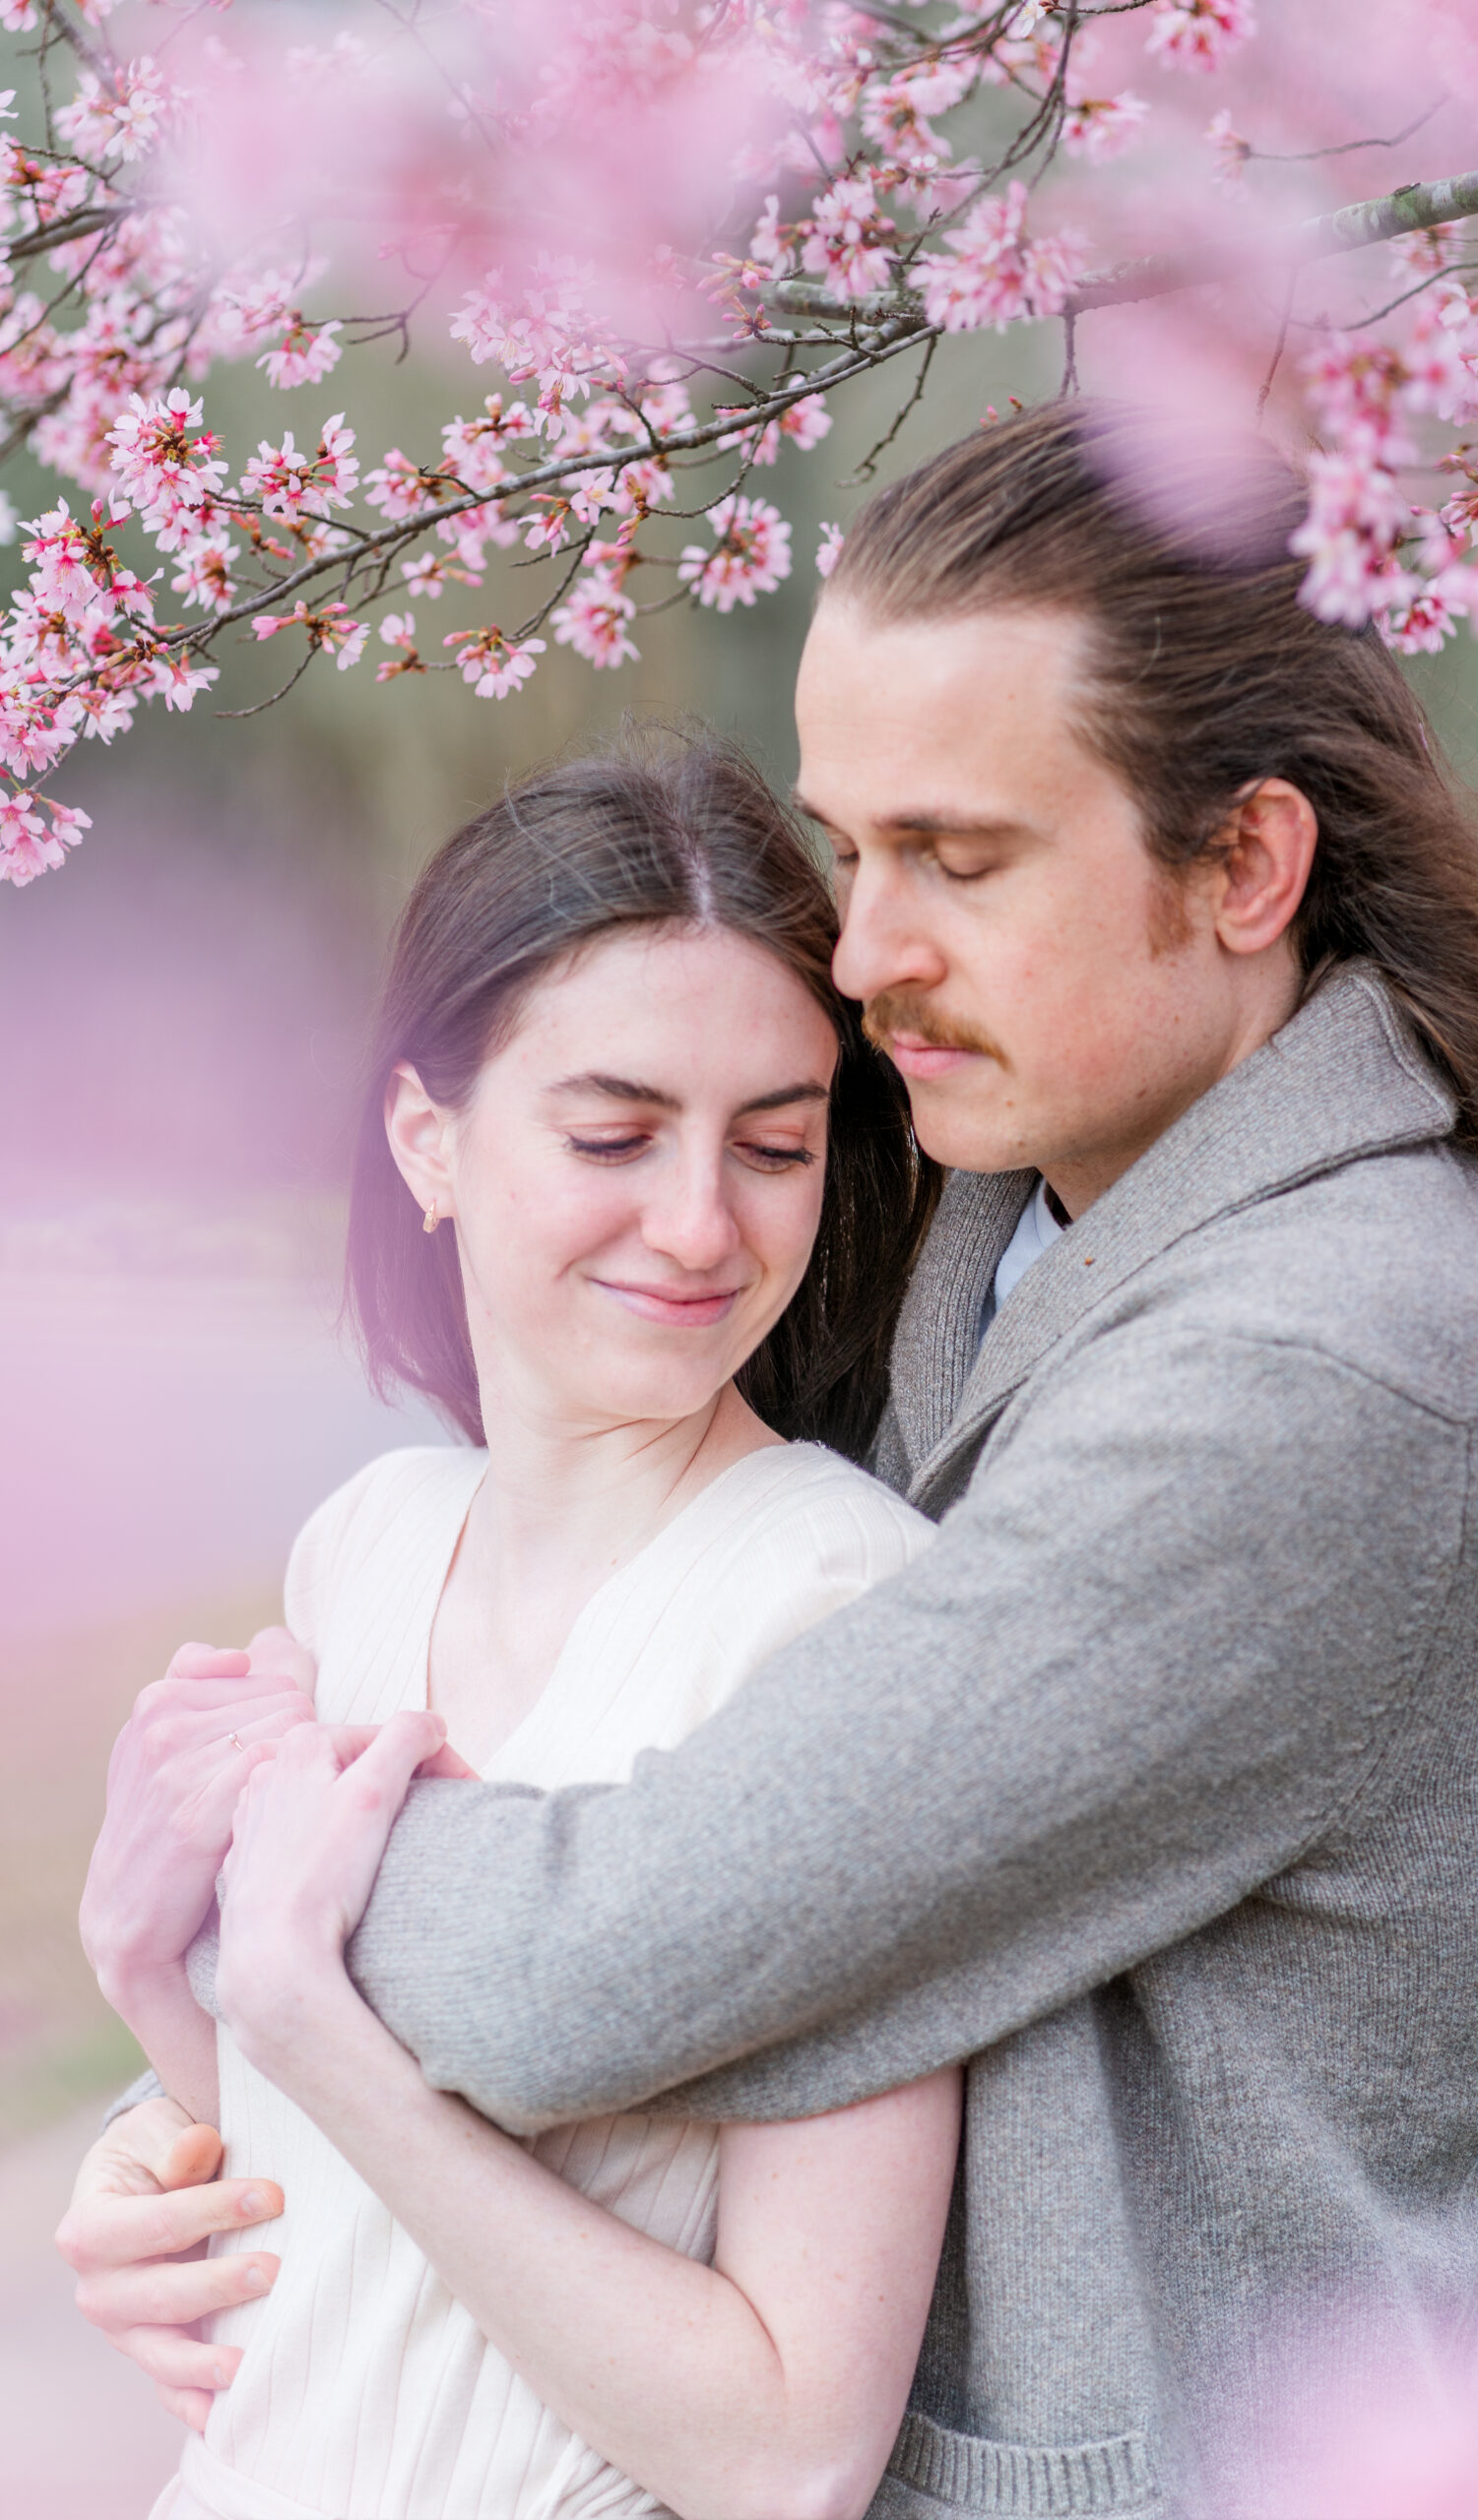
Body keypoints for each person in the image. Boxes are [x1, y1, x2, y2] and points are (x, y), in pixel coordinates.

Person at [63, 401, 1478, 2517]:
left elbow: (603, 1953)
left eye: (959, 857)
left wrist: (259, 1841)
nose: (866, 943)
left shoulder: (1341, 1370)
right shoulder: (1017, 1194)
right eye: (853, 840)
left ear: (1244, 863)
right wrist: (184, 2143)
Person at [72, 730, 963, 2520]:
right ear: (430, 1136)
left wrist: (297, 2023)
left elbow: (789, 2455)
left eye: (774, 1146)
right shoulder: (371, 1546)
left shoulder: (841, 1613)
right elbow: (367, 2241)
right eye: (614, 1132)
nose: (701, 1223)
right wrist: (153, 2021)